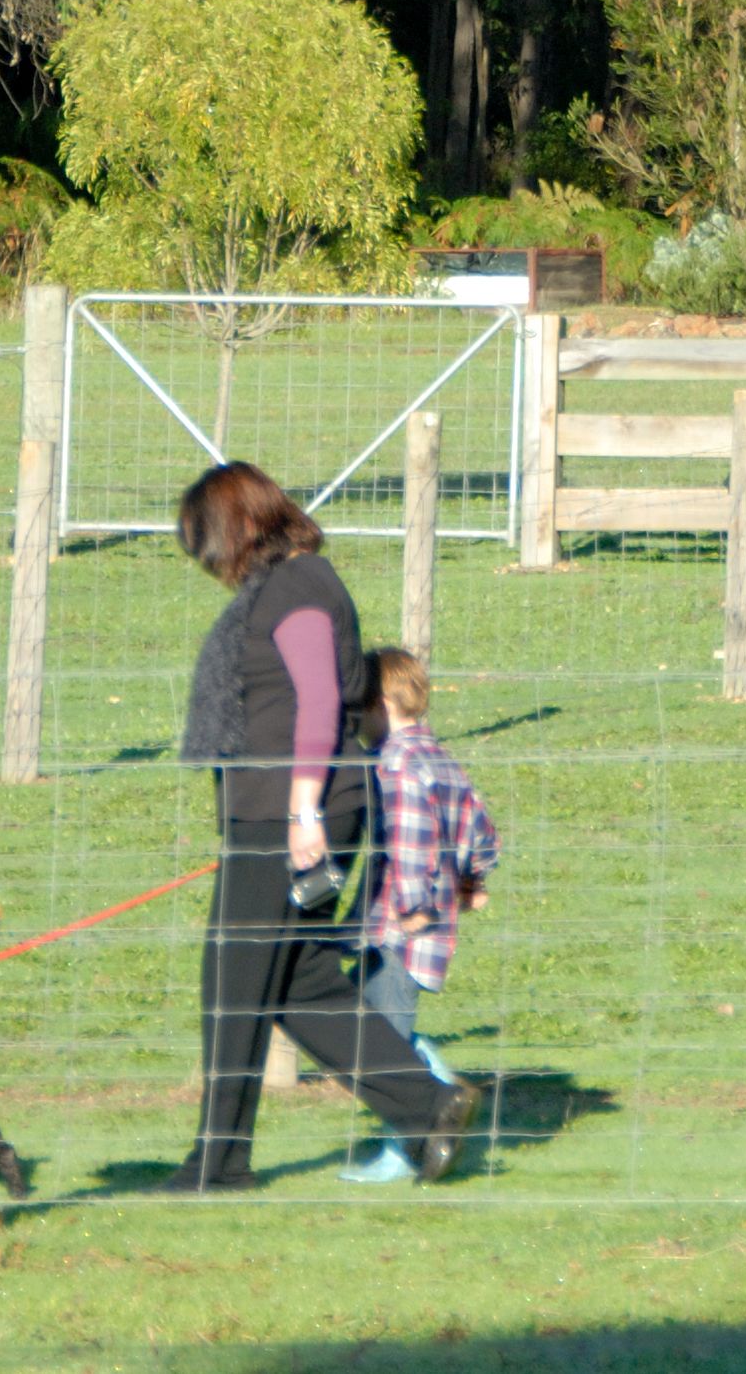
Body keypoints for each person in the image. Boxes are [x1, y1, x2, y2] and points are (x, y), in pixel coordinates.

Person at [165, 462, 479, 1192]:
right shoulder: (288, 586)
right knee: (297, 982)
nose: (210, 565)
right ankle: (428, 1103)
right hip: (287, 807)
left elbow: (315, 703)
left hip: (288, 813)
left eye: (208, 545)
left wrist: (303, 808)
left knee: (234, 984)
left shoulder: (299, 587)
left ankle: (218, 1163)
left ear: (241, 525)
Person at [338, 649, 500, 1185]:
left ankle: (412, 1138)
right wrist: (471, 882)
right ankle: (436, 1098)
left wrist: (408, 911)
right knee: (376, 1028)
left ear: (382, 704)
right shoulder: (441, 758)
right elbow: (482, 832)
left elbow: (411, 848)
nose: (355, 720)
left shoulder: (398, 765)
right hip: (431, 926)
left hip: (399, 929)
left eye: (359, 707)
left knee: (385, 1041)